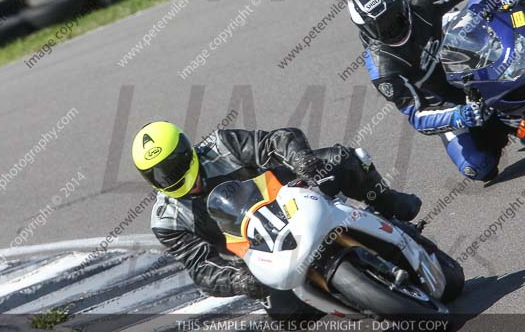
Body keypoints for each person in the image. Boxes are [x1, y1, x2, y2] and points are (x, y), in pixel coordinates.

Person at [131, 121, 421, 305]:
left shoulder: (221, 146)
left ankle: (387, 204)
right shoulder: (167, 220)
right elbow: (201, 267)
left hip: (294, 202)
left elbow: (276, 140)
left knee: (342, 159)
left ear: (187, 152)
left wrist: (303, 161)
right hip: (265, 257)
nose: (169, 177)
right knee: (289, 316)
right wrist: (240, 281)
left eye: (173, 166)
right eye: (158, 174)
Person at [346, 0, 525, 182]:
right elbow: (416, 115)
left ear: (401, 3)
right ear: (366, 30)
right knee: (477, 167)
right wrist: (458, 115)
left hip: (474, 53)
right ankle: (505, 123)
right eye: (380, 27)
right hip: (448, 101)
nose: (392, 28)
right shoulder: (382, 68)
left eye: (394, 17)